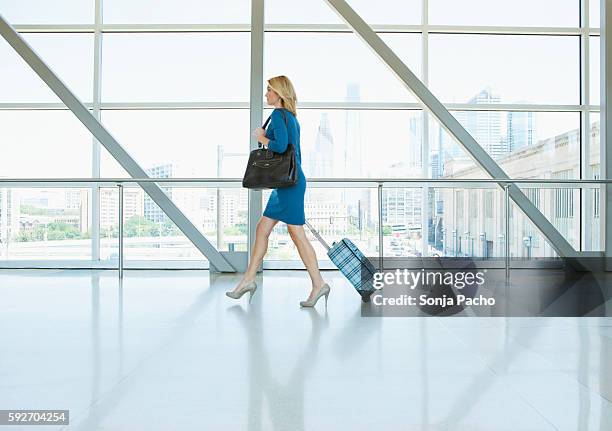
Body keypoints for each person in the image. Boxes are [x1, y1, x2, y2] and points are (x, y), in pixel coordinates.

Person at [226, 75, 331, 307]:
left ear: (279, 93)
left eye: (269, 90)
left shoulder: (279, 115)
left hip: (289, 185)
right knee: (262, 228)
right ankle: (248, 280)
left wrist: (261, 138)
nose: (266, 94)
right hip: (287, 183)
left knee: (297, 235)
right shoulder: (291, 117)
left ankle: (318, 284)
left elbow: (281, 146)